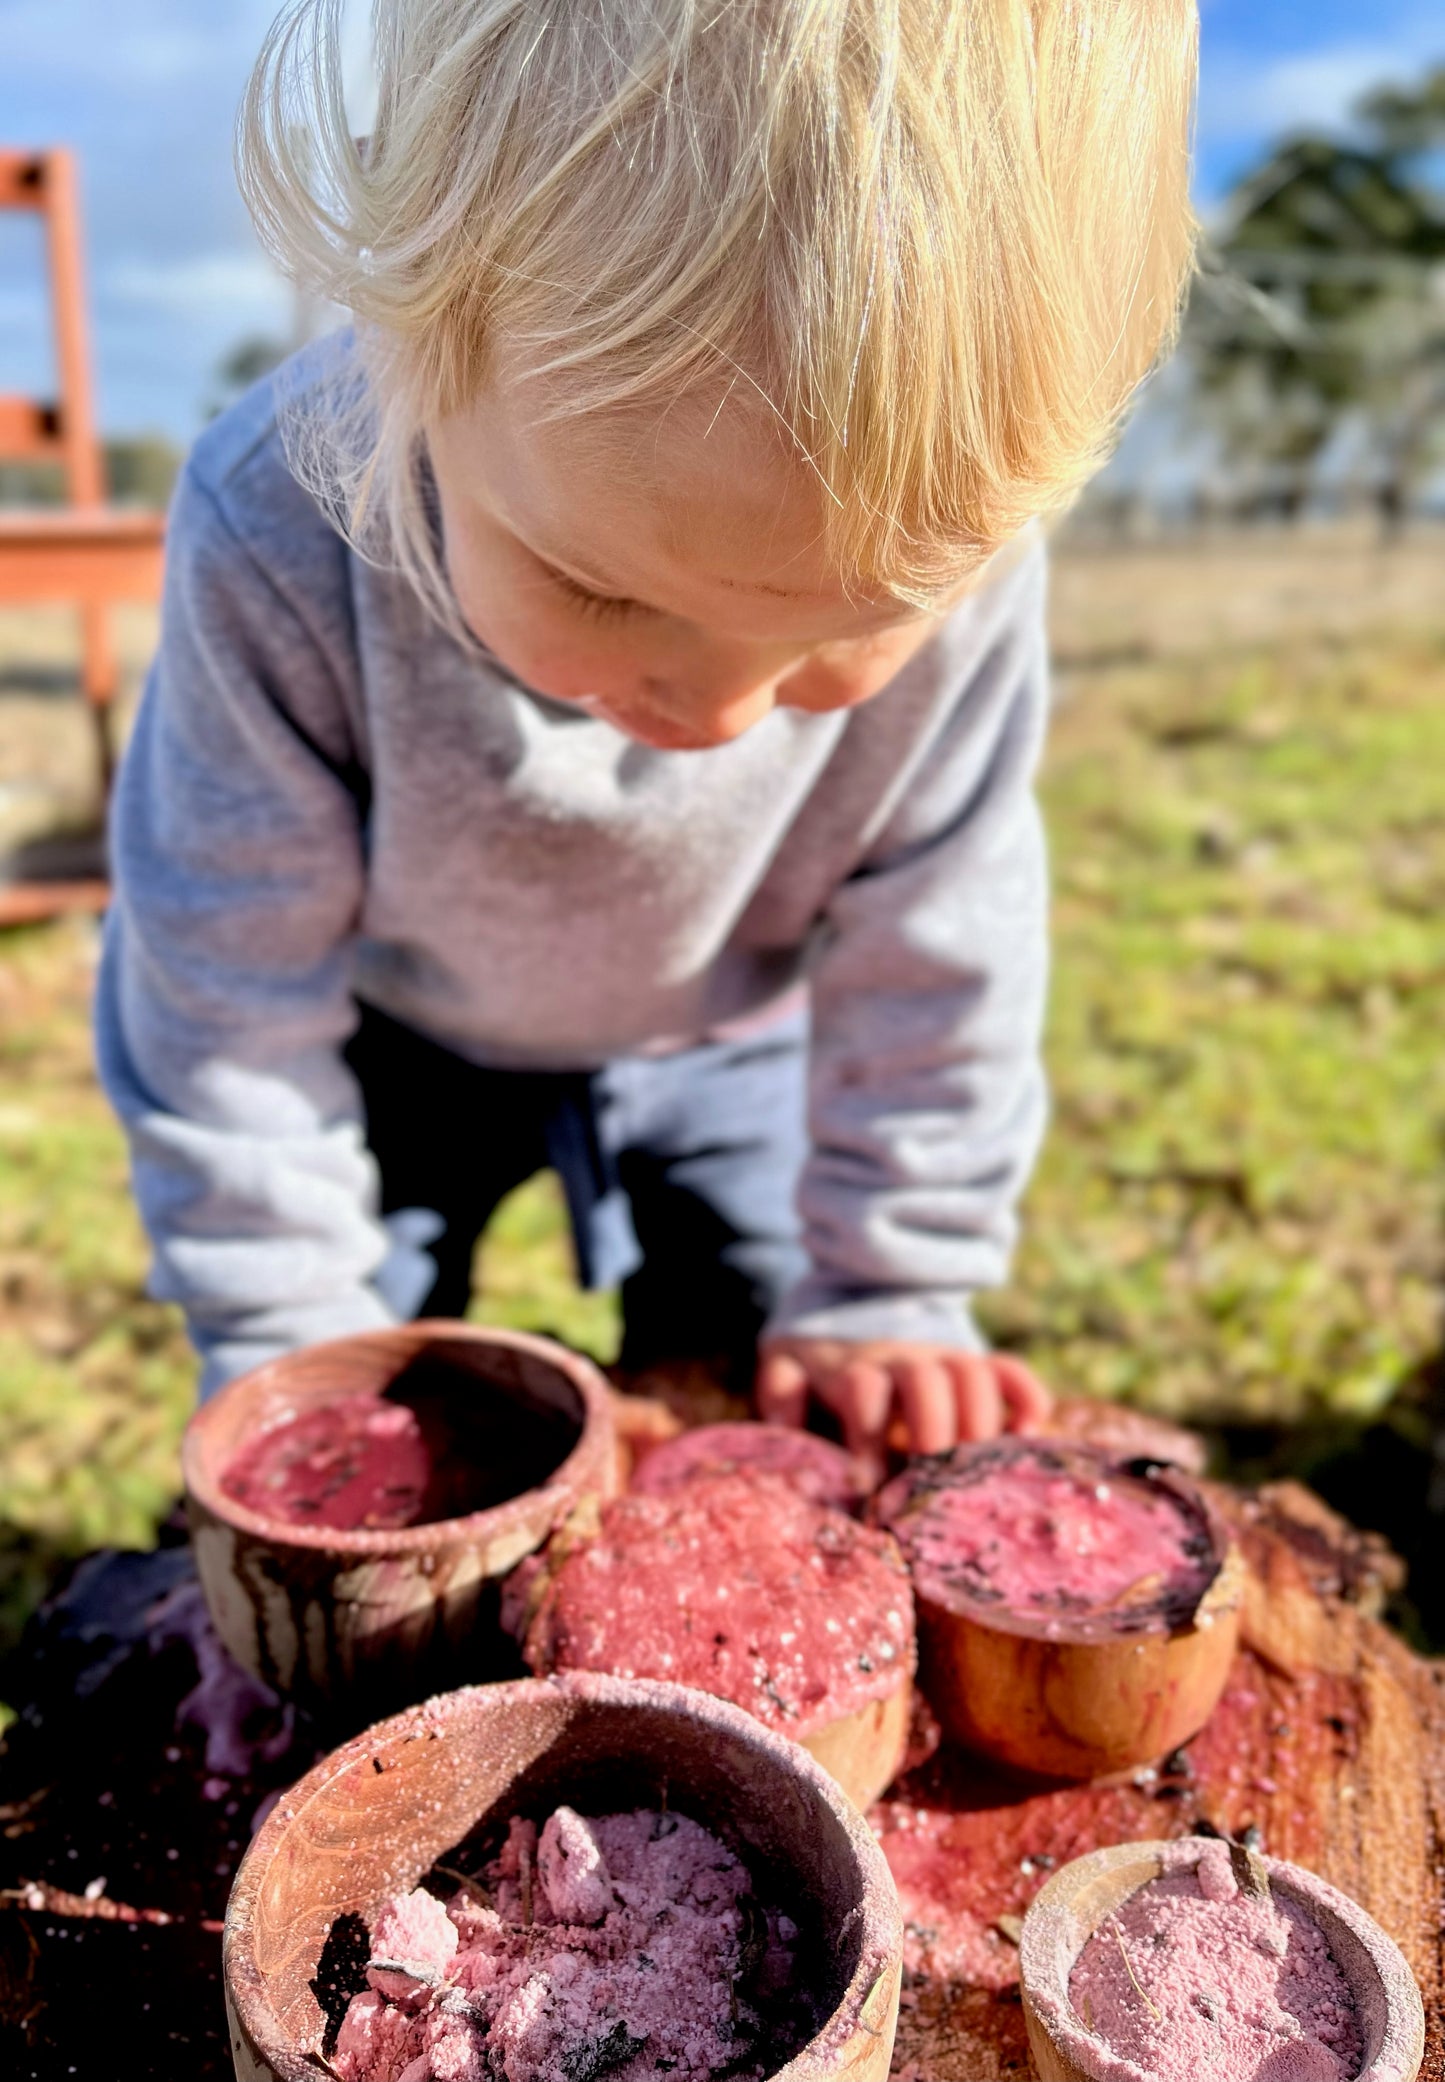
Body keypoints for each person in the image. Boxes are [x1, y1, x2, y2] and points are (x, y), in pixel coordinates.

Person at [98, 0, 1198, 1472]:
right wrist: (286, 1317)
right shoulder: (280, 522)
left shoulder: (972, 564)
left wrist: (887, 1275)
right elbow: (223, 984)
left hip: (732, 1035)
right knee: (375, 1410)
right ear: (414, 349)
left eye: (833, 634)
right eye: (600, 585)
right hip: (392, 1046)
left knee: (761, 1394)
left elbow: (943, 924)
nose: (722, 714)